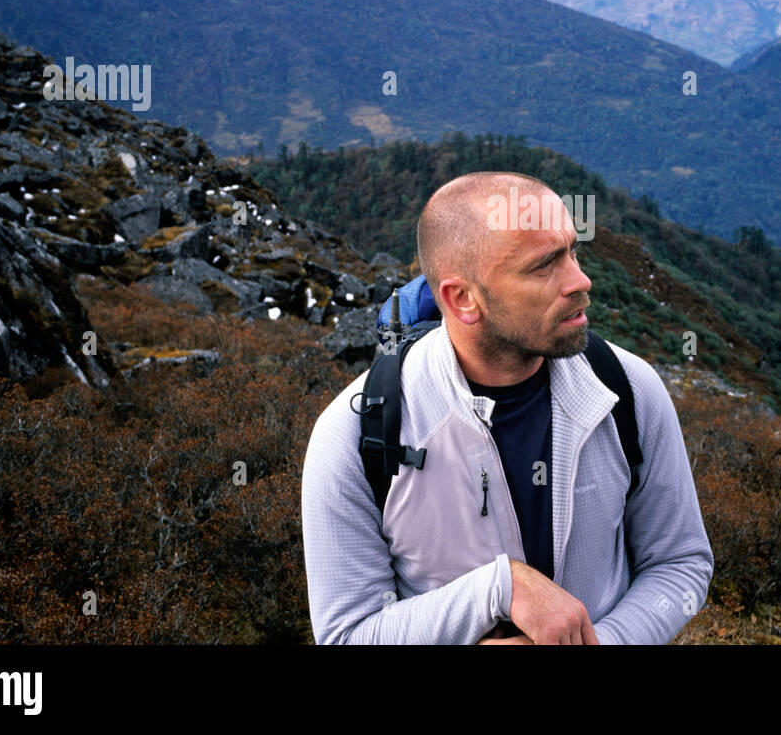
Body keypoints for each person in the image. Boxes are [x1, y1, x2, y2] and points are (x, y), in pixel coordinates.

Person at [301, 171, 713, 643]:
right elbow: (346, 634)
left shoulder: (627, 389)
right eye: (544, 266)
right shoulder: (354, 435)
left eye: (573, 251)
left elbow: (680, 562)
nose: (581, 280)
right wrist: (497, 590)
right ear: (463, 299)